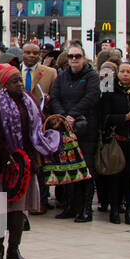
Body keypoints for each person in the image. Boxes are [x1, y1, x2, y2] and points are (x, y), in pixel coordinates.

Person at [0, 64, 62, 259]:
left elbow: (38, 124)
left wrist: (51, 124)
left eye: (19, 80)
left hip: (24, 163)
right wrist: (6, 155)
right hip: (0, 162)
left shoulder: (29, 100)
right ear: (4, 83)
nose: (19, 84)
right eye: (14, 81)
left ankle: (14, 248)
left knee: (18, 209)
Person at [48, 43, 100, 222]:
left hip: (86, 129)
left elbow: (91, 97)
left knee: (86, 169)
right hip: (66, 128)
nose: (74, 59)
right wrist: (63, 116)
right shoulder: (61, 77)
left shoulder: (92, 76)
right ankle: (70, 206)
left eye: (78, 56)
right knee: (68, 167)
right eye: (71, 56)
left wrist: (72, 115)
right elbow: (54, 97)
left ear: (84, 58)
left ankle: (86, 209)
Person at [100, 60, 130, 225]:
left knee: (129, 177)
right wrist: (124, 117)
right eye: (122, 71)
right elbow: (104, 117)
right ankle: (114, 208)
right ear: (117, 73)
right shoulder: (110, 90)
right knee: (115, 176)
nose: (126, 74)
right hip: (116, 139)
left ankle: (129, 210)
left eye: (129, 71)